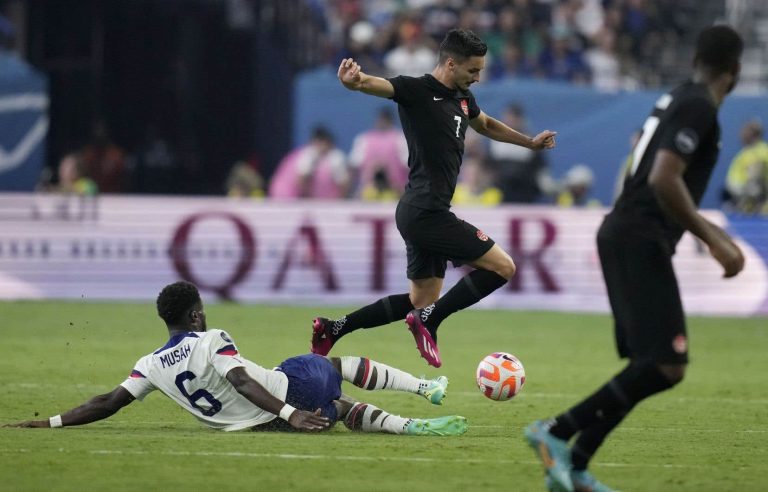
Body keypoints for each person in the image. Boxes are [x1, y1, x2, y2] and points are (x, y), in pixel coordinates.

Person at [525, 25, 746, 492]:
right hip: (637, 237)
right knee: (666, 365)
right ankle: (557, 431)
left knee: (649, 364)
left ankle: (577, 466)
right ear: (736, 71)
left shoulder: (677, 96)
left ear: (695, 61)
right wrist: (715, 239)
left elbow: (642, 167)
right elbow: (665, 178)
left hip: (628, 231)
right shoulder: (700, 106)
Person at [311, 29, 556, 368]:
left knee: (421, 299)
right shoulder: (417, 91)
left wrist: (528, 142)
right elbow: (373, 84)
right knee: (503, 267)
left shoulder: (464, 97)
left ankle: (333, 328)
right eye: (473, 70)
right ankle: (430, 320)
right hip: (426, 212)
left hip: (419, 209)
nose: (478, 77)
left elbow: (484, 124)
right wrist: (353, 81)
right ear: (451, 63)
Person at [4, 281, 467, 436]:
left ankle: (408, 427)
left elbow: (106, 402)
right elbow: (243, 379)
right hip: (286, 395)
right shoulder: (211, 338)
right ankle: (423, 389)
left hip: (265, 425)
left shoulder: (149, 365)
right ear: (196, 313)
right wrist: (290, 408)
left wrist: (49, 423)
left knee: (338, 408)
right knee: (332, 366)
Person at [722, 119, 768, 214]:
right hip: (744, 204)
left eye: (744, 131)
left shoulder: (757, 152)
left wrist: (741, 204)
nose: (741, 134)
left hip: (750, 208)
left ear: (751, 133)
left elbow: (754, 184)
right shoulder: (750, 151)